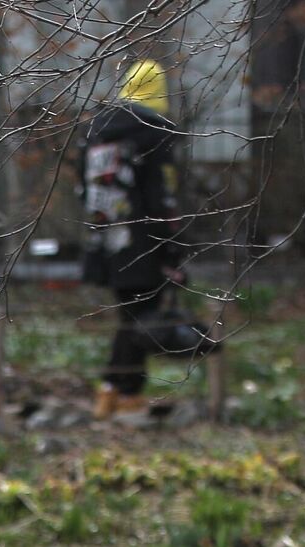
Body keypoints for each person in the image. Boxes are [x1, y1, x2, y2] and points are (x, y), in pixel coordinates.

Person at [80, 60, 186, 420]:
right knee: (139, 319)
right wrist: (172, 250)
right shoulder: (154, 132)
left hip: (107, 241)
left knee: (132, 316)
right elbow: (162, 197)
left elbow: (87, 190)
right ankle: (121, 392)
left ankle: (115, 391)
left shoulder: (97, 132)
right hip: (143, 245)